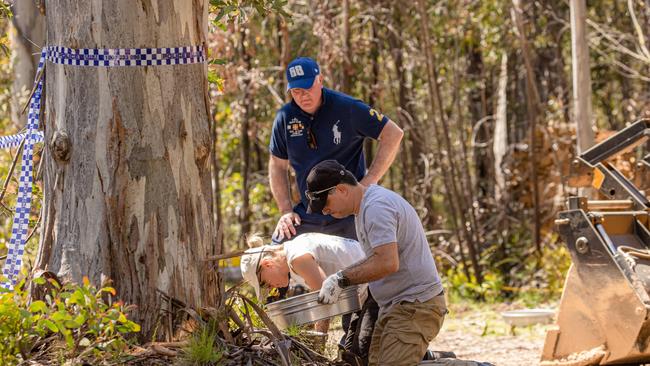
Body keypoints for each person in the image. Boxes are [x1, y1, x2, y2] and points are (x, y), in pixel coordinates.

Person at [306, 159, 446, 366]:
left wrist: (341, 278)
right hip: (395, 305)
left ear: (341, 190)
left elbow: (387, 263)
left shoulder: (376, 207)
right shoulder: (362, 209)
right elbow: (377, 259)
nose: (324, 211)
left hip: (415, 304)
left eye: (325, 204)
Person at [269, 56, 403, 243]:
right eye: (296, 91)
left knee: (362, 263)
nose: (303, 96)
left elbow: (393, 134)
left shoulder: (348, 107)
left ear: (320, 81)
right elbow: (277, 165)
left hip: (349, 212)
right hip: (310, 211)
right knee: (269, 257)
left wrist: (368, 182)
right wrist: (285, 211)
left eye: (308, 87)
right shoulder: (285, 117)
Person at [240, 232, 378, 364]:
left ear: (267, 264)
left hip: (377, 281)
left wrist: (317, 348)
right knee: (350, 355)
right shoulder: (292, 257)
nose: (269, 288)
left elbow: (325, 300)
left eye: (264, 283)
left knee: (361, 353)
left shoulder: (297, 258)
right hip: (365, 291)